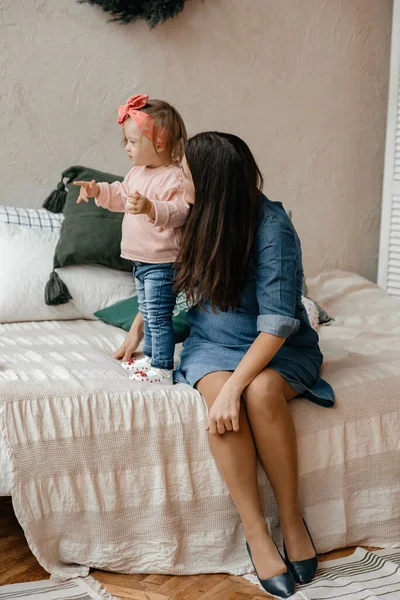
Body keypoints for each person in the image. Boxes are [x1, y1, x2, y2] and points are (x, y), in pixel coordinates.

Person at [115, 131, 334, 598]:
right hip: (213, 342)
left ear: (212, 181)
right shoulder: (196, 213)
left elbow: (277, 323)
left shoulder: (272, 226)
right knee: (221, 399)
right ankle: (256, 531)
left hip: (277, 345)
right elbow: (168, 270)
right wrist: (138, 326)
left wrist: (239, 385)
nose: (179, 180)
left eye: (188, 173)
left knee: (258, 392)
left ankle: (292, 520)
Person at [74, 94, 189, 385]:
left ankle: (162, 367)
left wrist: (152, 208)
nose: (127, 147)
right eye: (126, 141)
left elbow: (180, 213)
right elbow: (121, 196)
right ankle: (150, 359)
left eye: (133, 142)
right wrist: (97, 191)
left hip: (164, 261)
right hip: (142, 261)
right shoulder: (137, 173)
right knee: (149, 313)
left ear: (160, 142)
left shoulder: (173, 177)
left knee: (158, 316)